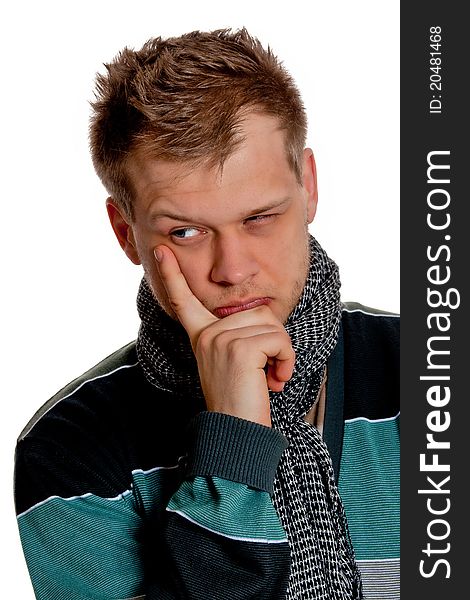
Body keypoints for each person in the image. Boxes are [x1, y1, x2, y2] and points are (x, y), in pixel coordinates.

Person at [14, 28, 399, 600]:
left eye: (260, 217)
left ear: (309, 186)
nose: (233, 268)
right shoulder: (72, 447)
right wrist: (234, 444)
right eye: (186, 231)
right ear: (126, 233)